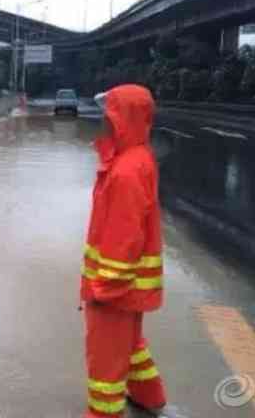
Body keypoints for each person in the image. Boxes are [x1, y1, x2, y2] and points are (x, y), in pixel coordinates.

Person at [80, 84, 167, 417]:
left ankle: (104, 414)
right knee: (130, 347)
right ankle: (149, 397)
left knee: (105, 361)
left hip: (115, 291)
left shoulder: (127, 170)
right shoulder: (136, 158)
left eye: (110, 113)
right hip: (128, 289)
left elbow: (123, 236)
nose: (103, 118)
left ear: (123, 119)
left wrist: (106, 288)